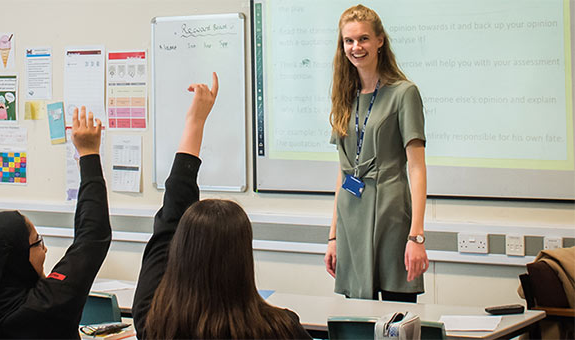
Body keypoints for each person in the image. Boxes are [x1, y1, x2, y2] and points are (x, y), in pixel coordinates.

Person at [132, 73, 311, 339]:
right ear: (242, 258)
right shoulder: (280, 329)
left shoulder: (155, 321)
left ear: (181, 249)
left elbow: (169, 220)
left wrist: (195, 121)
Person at [0, 106, 111, 339]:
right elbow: (91, 239)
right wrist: (89, 154)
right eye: (37, 242)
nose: (45, 248)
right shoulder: (43, 308)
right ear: (16, 259)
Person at [323, 4, 429, 302]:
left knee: (397, 319)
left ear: (380, 40)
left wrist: (416, 236)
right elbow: (343, 172)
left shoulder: (404, 93)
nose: (356, 47)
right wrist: (333, 237)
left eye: (364, 39)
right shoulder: (344, 97)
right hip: (351, 216)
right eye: (349, 41)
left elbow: (417, 168)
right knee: (357, 317)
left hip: (391, 213)